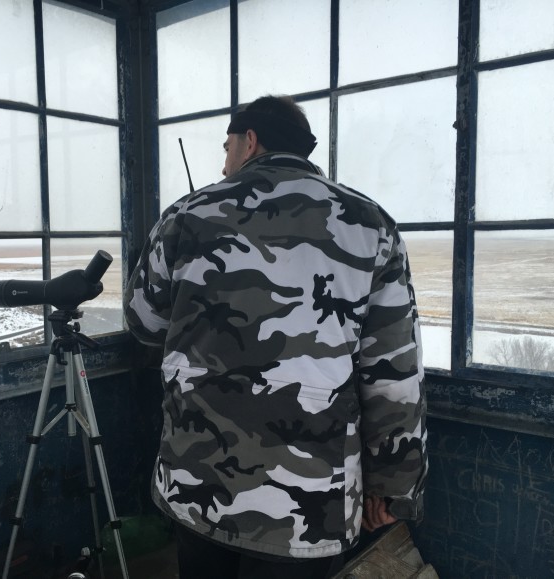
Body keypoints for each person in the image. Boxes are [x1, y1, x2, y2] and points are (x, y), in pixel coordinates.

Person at [123, 95, 427, 579]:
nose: (223, 165)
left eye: (226, 149)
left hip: (196, 485)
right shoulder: (371, 225)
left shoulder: (187, 214)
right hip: (311, 503)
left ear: (250, 141)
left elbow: (143, 322)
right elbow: (394, 371)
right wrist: (394, 485)